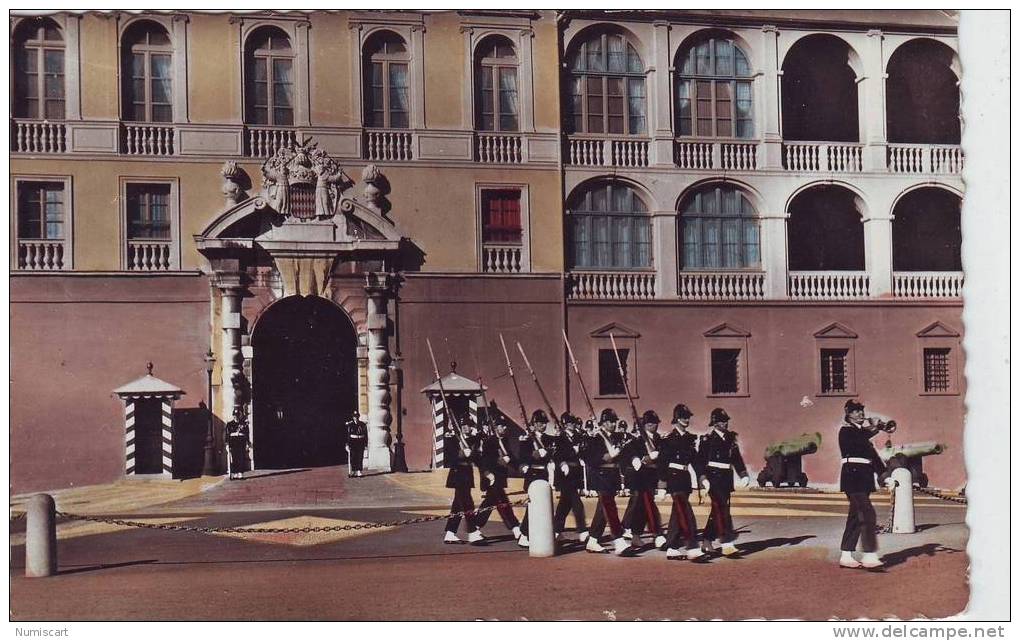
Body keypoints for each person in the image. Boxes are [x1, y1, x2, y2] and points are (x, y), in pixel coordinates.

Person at [838, 399, 889, 569]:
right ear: (848, 414)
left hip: (864, 479)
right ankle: (869, 555)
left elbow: (873, 457)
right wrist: (875, 428)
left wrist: (885, 476)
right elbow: (858, 440)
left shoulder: (863, 435)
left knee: (855, 517)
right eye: (855, 411)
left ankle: (846, 554)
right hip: (852, 478)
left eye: (861, 410)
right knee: (867, 514)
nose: (860, 414)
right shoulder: (846, 431)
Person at [698, 408, 750, 557]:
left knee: (718, 510)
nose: (725, 423)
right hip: (712, 479)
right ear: (714, 423)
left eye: (726, 420)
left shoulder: (730, 439)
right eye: (721, 421)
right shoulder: (707, 440)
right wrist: (703, 480)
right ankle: (726, 542)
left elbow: (736, 459)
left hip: (726, 479)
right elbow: (700, 462)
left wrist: (743, 474)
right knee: (722, 509)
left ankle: (707, 541)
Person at [659, 404, 706, 561]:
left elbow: (696, 461)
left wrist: (702, 477)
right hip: (673, 478)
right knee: (686, 512)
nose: (687, 420)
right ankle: (692, 547)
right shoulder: (668, 439)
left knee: (677, 514)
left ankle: (671, 547)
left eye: (688, 417)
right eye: (683, 417)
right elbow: (662, 463)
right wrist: (662, 485)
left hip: (684, 478)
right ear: (677, 418)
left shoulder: (689, 439)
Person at [582, 408, 629, 555]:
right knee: (609, 506)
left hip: (612, 475)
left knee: (603, 509)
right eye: (610, 421)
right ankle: (618, 539)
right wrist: (606, 456)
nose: (613, 424)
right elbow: (589, 457)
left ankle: (593, 540)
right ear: (603, 422)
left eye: (614, 421)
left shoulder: (616, 437)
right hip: (601, 475)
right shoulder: (596, 438)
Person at [620, 411, 666, 550]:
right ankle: (657, 534)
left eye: (656, 423)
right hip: (640, 477)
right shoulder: (638, 440)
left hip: (652, 476)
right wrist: (645, 458)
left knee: (642, 507)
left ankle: (636, 535)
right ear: (646, 425)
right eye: (652, 423)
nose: (655, 426)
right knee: (647, 505)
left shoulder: (659, 439)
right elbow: (630, 454)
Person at [475, 418, 522, 540]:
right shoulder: (489, 441)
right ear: (496, 427)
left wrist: (520, 467)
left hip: (500, 478)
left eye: (505, 426)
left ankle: (475, 526)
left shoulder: (504, 440)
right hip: (492, 477)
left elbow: (509, 456)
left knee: (489, 502)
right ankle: (515, 527)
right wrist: (499, 462)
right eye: (501, 426)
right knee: (503, 501)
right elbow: (485, 461)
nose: (504, 428)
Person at [442, 418, 485, 545]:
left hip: (467, 474)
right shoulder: (453, 439)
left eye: (468, 425)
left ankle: (450, 533)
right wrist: (461, 453)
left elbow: (477, 457)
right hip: (457, 474)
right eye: (463, 425)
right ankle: (472, 532)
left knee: (457, 505)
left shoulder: (474, 439)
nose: (465, 427)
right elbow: (449, 458)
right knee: (467, 503)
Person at [517, 409, 552, 548]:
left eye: (544, 423)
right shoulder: (527, 439)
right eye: (540, 423)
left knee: (541, 507)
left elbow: (552, 453)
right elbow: (523, 456)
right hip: (533, 475)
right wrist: (535, 454)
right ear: (535, 423)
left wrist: (547, 453)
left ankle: (530, 533)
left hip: (544, 474)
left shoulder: (549, 438)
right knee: (533, 507)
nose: (543, 425)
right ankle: (524, 534)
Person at [553, 413, 587, 540]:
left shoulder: (578, 436)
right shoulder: (560, 438)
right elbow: (557, 454)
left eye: (573, 422)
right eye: (569, 423)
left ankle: (556, 530)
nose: (572, 425)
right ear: (565, 424)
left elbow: (584, 450)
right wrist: (563, 464)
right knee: (576, 502)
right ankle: (583, 530)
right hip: (565, 473)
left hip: (575, 472)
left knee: (565, 504)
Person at [225, 406, 249, 480]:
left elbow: (246, 433)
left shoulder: (243, 424)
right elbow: (227, 434)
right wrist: (227, 444)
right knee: (233, 458)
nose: (236, 417)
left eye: (237, 415)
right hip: (233, 443)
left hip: (241, 442)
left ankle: (240, 473)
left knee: (241, 458)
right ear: (233, 416)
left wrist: (247, 443)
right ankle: (233, 473)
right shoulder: (229, 424)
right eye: (235, 415)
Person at [345, 410, 368, 478]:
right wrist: (347, 444)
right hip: (353, 442)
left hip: (360, 441)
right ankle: (354, 470)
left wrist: (366, 444)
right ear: (353, 417)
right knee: (353, 457)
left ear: (359, 417)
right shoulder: (350, 425)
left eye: (357, 416)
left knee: (360, 456)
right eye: (355, 416)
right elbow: (348, 435)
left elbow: (365, 435)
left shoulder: (362, 424)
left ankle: (359, 471)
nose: (356, 418)